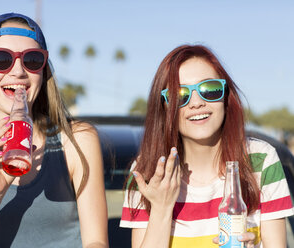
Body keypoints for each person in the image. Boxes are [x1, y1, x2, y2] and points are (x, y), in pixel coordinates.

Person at [0, 13, 108, 248]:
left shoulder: (77, 139)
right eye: (1, 59)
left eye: (32, 60)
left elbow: (96, 241)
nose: (18, 71)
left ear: (44, 72)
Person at [120, 44, 294, 248]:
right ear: (165, 108)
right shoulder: (147, 173)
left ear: (225, 95)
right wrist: (161, 208)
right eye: (180, 95)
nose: (196, 103)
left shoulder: (261, 159)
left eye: (209, 90)